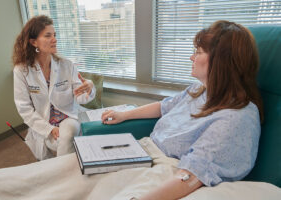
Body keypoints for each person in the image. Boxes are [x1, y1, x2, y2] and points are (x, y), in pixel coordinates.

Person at [101, 20, 263, 199]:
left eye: (198, 52)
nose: (191, 58)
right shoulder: (197, 90)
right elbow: (163, 106)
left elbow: (191, 175)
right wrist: (124, 115)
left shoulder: (236, 117)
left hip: (169, 170)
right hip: (145, 151)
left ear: (220, 62)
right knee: (74, 171)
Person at [12, 15, 96, 160]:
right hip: (42, 121)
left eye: (55, 35)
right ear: (33, 42)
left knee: (69, 131)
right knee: (53, 155)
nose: (54, 39)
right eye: (48, 35)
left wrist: (88, 88)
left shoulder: (66, 65)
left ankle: (60, 171)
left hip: (67, 117)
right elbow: (24, 109)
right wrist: (48, 129)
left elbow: (81, 98)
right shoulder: (22, 70)